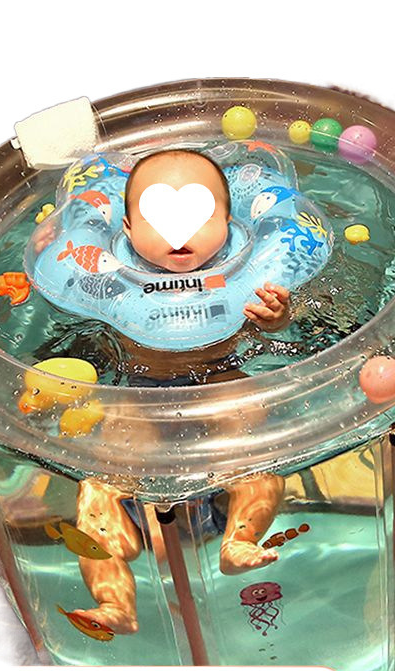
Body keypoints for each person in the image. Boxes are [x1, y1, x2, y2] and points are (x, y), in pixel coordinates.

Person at [69, 149, 287, 636]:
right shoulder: (107, 278)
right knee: (97, 488)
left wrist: (276, 317)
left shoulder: (247, 274)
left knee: (258, 461)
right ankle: (114, 602)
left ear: (228, 224)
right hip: (141, 395)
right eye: (156, 217)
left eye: (200, 215)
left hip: (215, 378)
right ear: (127, 229)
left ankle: (239, 538)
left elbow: (268, 330)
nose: (178, 231)